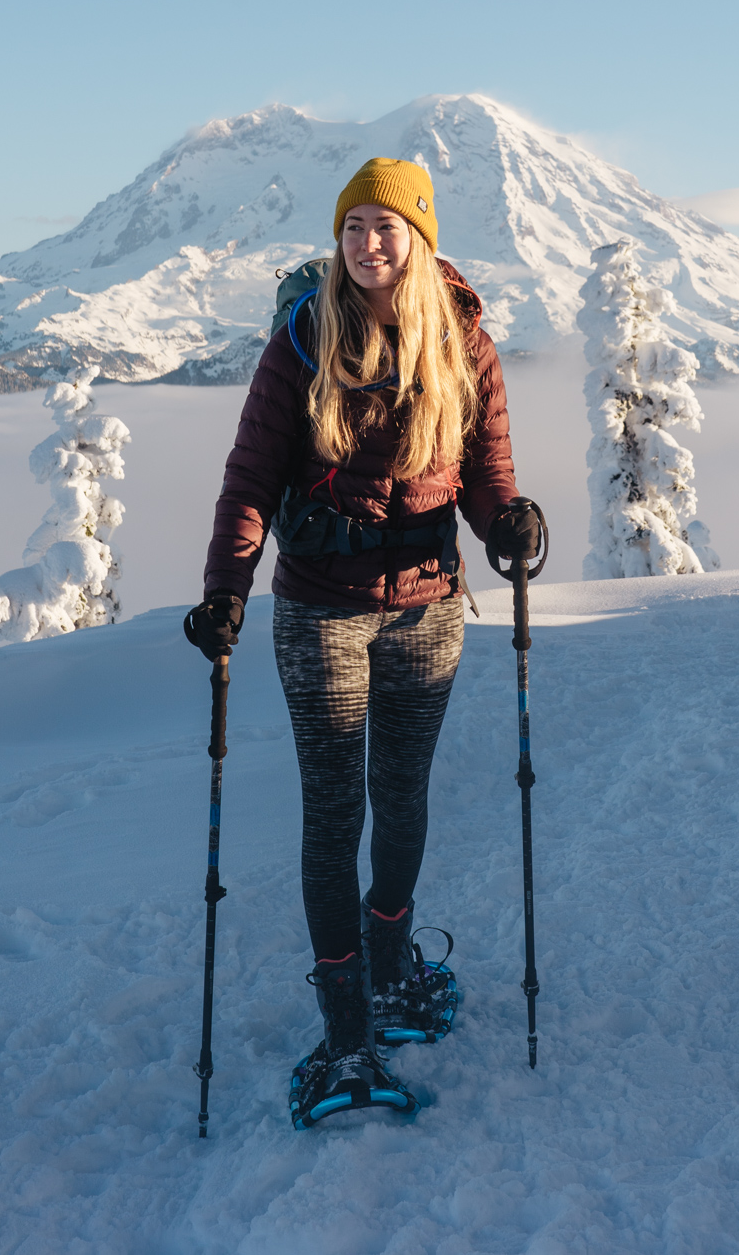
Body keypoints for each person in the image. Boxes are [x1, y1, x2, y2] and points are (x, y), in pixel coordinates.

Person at [185, 157, 543, 1127]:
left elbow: (486, 477)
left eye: (388, 228)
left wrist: (511, 526)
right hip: (320, 608)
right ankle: (348, 1032)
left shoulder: (463, 341)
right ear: (338, 241)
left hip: (428, 605)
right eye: (355, 228)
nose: (370, 244)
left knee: (404, 793)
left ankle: (390, 967)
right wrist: (227, 591)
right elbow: (251, 477)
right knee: (336, 808)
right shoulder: (303, 338)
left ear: (419, 240)